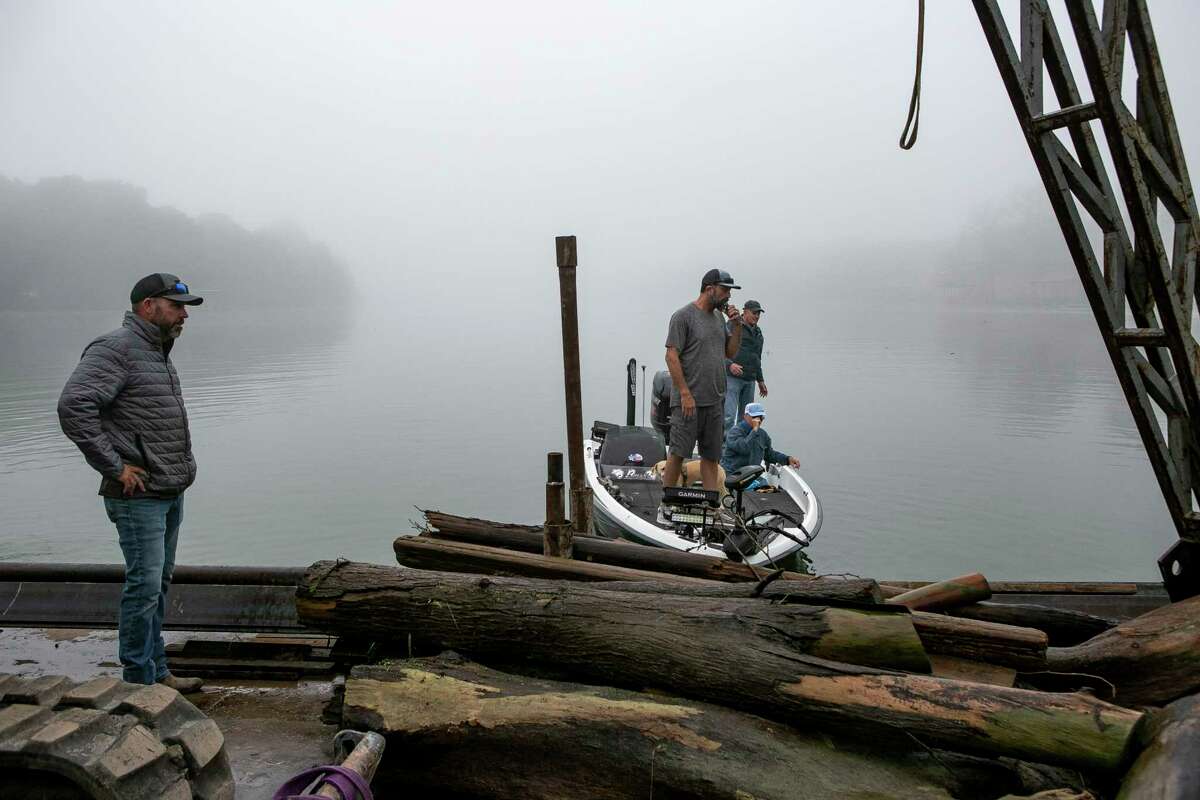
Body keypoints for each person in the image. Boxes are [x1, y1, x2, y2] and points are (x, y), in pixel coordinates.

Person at [57, 273, 205, 692]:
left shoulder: (156, 350)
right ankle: (140, 686)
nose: (183, 315)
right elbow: (74, 406)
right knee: (143, 589)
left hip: (168, 489)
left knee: (157, 585)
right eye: (177, 306)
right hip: (138, 495)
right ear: (147, 306)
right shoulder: (117, 348)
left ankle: (157, 672)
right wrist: (115, 467)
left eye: (186, 308)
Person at [661, 268, 743, 494]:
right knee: (678, 454)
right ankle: (666, 502)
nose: (728, 296)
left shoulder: (719, 318)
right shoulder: (683, 316)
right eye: (725, 290)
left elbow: (730, 353)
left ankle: (711, 504)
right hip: (689, 402)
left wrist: (736, 326)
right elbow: (671, 356)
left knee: (711, 456)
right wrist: (685, 393)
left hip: (715, 401)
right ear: (709, 289)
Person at [723, 299, 769, 430]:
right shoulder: (733, 325)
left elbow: (757, 358)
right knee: (728, 416)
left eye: (759, 314)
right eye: (754, 313)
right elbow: (720, 348)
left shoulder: (758, 333)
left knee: (746, 418)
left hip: (749, 380)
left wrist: (760, 380)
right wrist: (730, 365)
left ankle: (739, 444)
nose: (757, 316)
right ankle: (724, 447)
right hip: (732, 378)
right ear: (745, 312)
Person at [720, 402, 800, 474]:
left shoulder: (763, 435)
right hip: (732, 475)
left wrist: (788, 459)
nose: (758, 420)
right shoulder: (734, 432)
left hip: (750, 476)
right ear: (745, 416)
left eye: (760, 417)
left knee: (767, 488)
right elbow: (744, 448)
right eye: (755, 417)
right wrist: (754, 431)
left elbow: (769, 454)